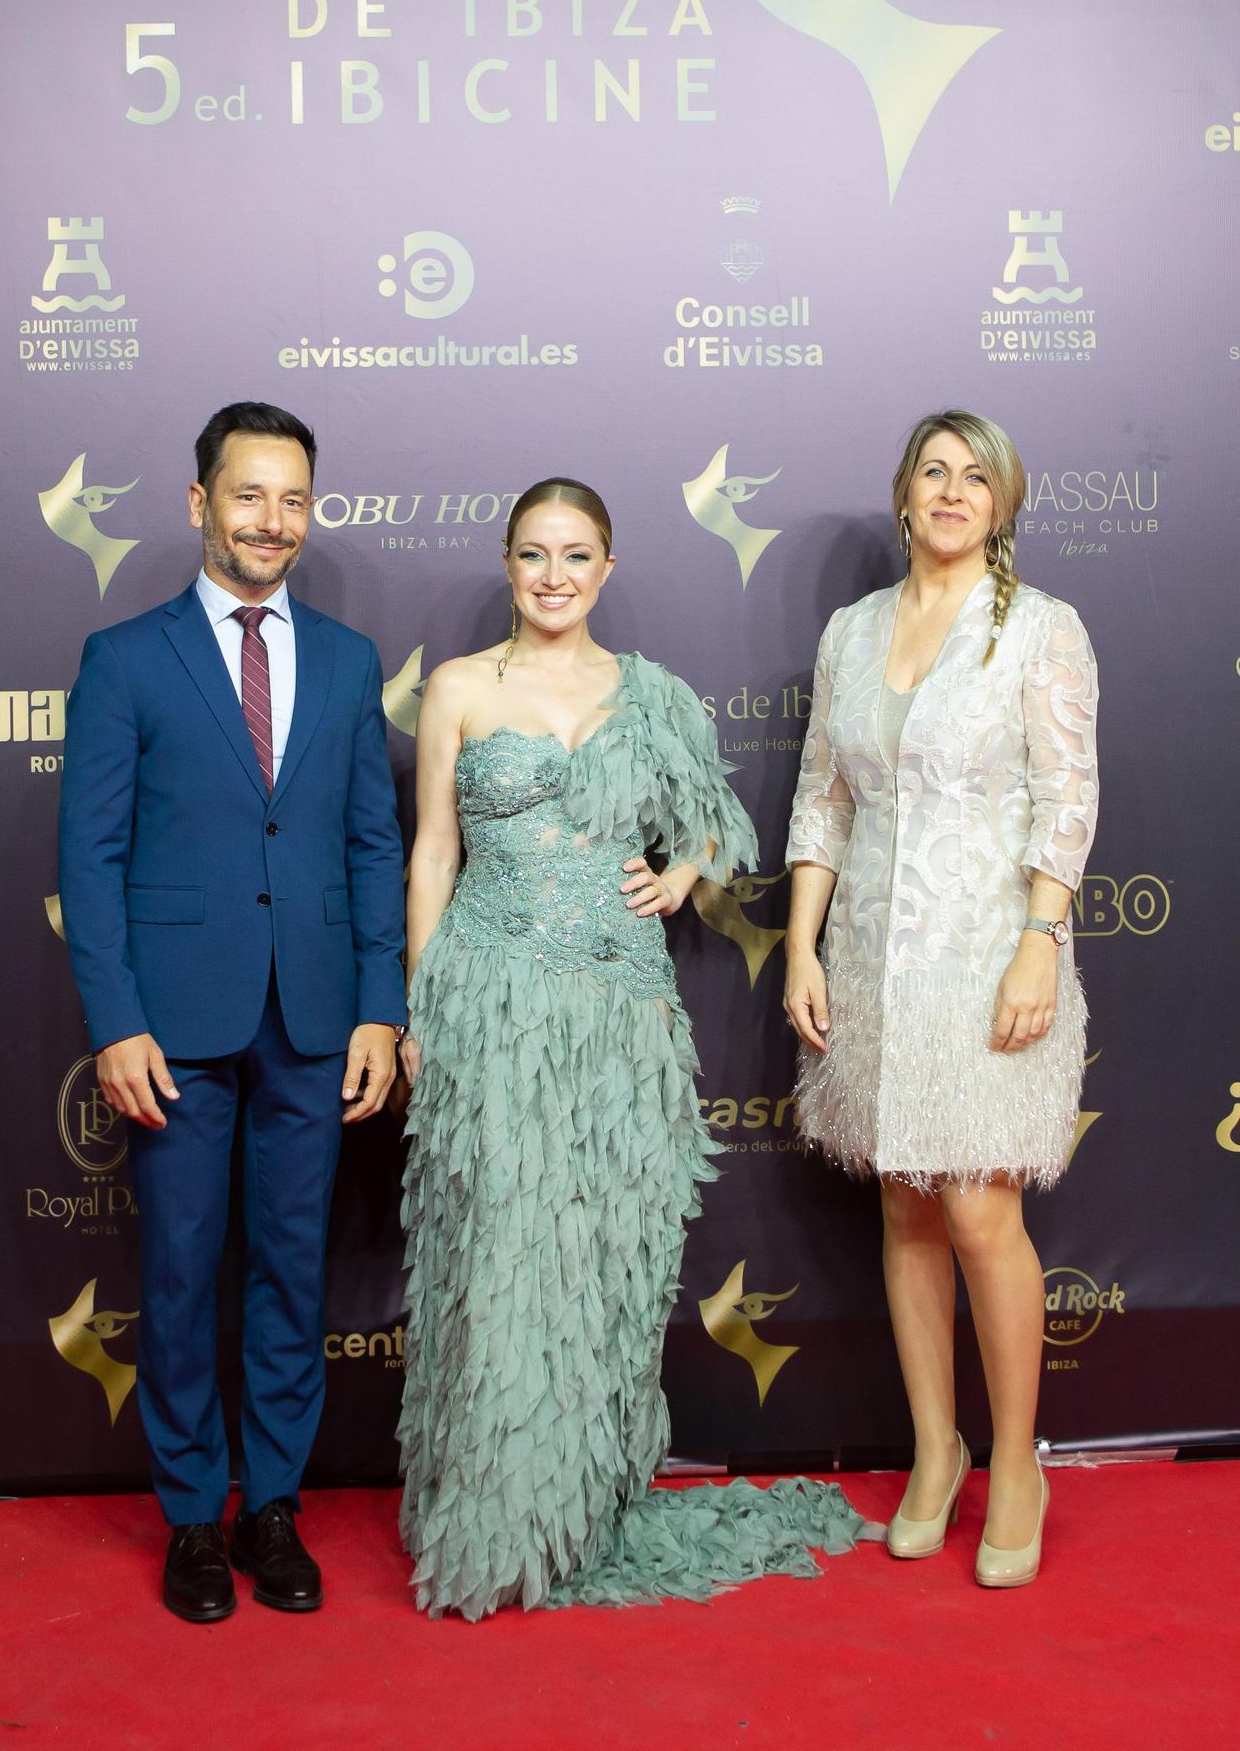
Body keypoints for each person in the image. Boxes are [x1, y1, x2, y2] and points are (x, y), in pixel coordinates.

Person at [396, 476, 866, 1619]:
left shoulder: (650, 695)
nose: (553, 576)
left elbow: (712, 816)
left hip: (618, 1012)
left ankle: (585, 1504)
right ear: (507, 564)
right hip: (492, 1001)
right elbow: (433, 859)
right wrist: (420, 1010)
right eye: (533, 554)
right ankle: (499, 1516)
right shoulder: (456, 689)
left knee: (600, 1257)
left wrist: (681, 876)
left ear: (607, 569)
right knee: (501, 1255)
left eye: (575, 555)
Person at [58, 401, 406, 1622]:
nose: (273, 521)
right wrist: (115, 1019)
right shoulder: (125, 656)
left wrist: (380, 1007)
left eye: (293, 499)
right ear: (199, 501)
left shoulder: (353, 659)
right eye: (248, 495)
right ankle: (192, 1517)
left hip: (315, 1018)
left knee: (291, 1275)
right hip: (174, 1027)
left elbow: (373, 842)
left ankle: (272, 1507)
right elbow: (90, 860)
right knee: (181, 1270)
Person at [784, 410, 1099, 1589]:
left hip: (987, 962)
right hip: (869, 959)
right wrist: (802, 945)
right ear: (904, 494)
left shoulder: (1042, 631)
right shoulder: (852, 630)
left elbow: (1066, 802)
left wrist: (1039, 942)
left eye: (978, 476)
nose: (954, 491)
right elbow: (822, 798)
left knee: (978, 1214)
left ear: (1003, 503)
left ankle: (1015, 1459)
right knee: (906, 1211)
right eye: (935, 470)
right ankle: (937, 1448)